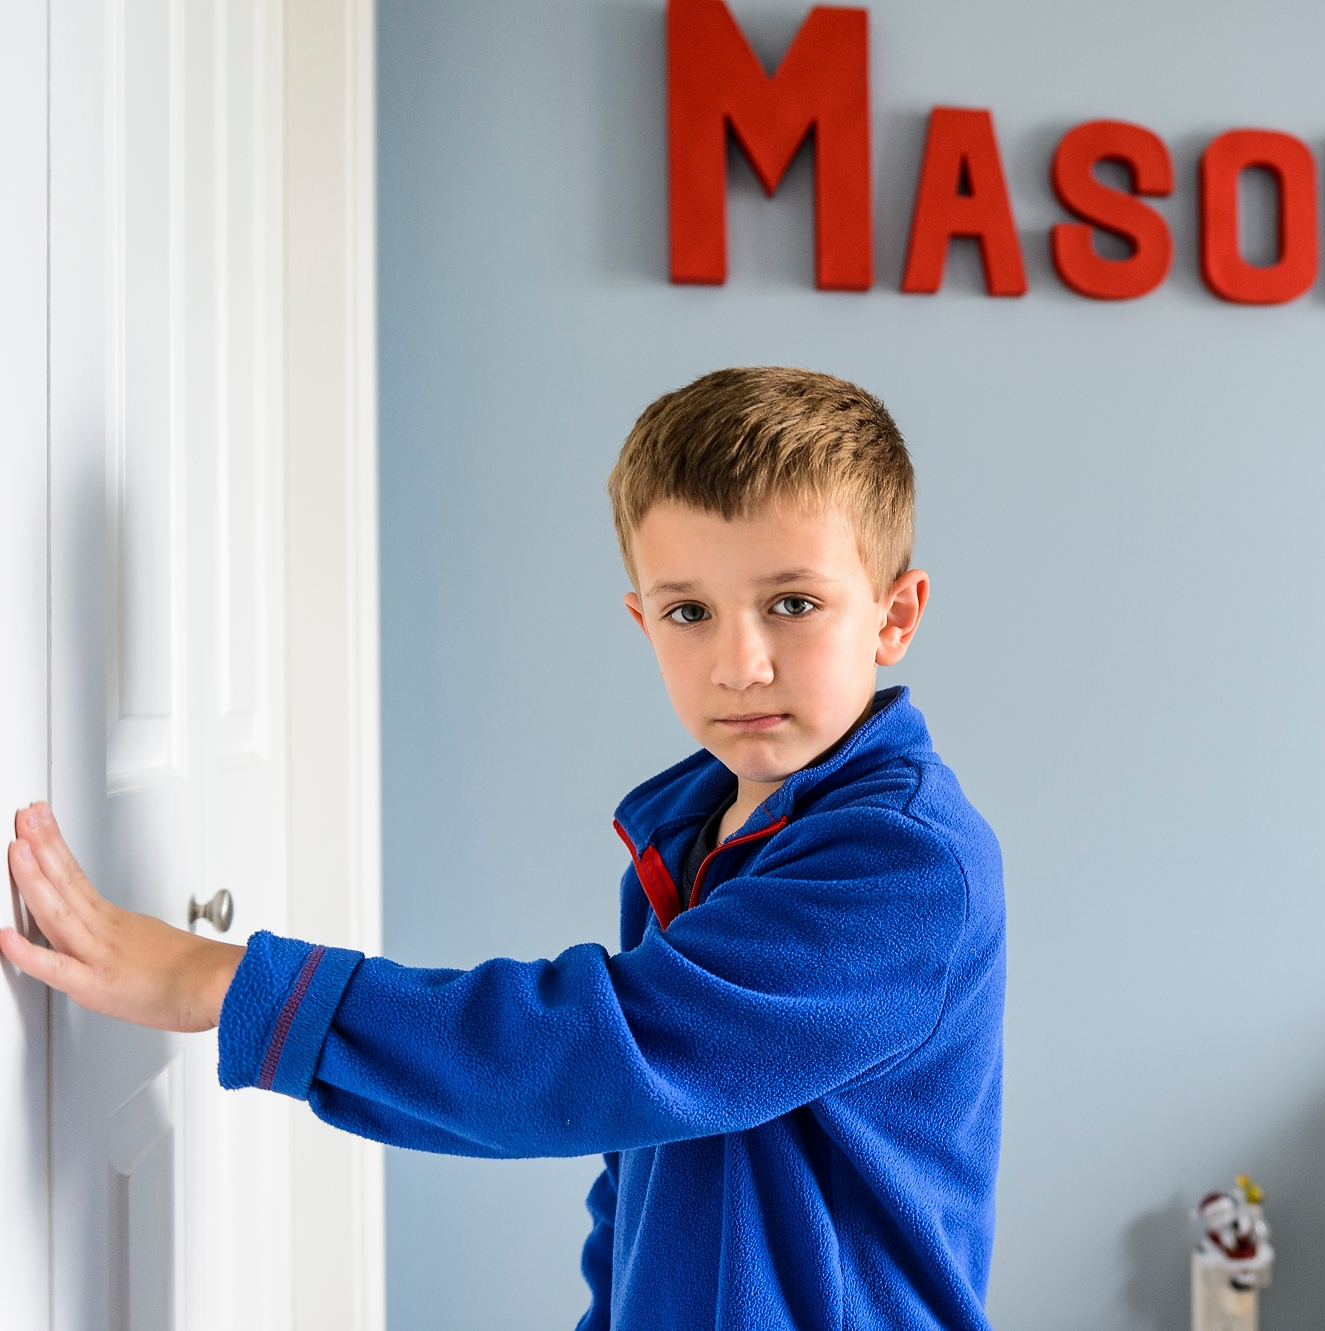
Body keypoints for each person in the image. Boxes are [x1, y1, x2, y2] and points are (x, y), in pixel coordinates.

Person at [0, 367, 1007, 1331]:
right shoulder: (693, 836)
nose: (740, 661)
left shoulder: (901, 865)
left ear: (895, 613)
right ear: (641, 620)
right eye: (688, 610)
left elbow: (593, 1056)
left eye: (792, 603)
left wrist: (230, 981)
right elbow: (634, 1148)